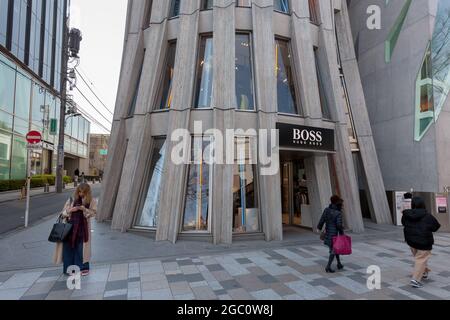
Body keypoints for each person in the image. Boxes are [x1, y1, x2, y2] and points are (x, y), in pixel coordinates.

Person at [53, 183, 97, 276]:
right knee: (68, 249)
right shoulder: (71, 199)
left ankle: (83, 268)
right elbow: (63, 213)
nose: (81, 194)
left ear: (87, 192)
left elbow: (93, 213)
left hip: (83, 229)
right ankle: (69, 269)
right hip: (69, 229)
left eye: (83, 192)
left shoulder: (92, 200)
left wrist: (84, 209)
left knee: (81, 249)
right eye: (79, 191)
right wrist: (70, 210)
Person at [402, 197, 441, 288]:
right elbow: (436, 227)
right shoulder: (427, 216)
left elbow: (404, 223)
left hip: (411, 241)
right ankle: (415, 280)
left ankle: (424, 272)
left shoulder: (406, 214)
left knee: (420, 258)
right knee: (421, 259)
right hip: (424, 242)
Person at [317, 195, 345, 273]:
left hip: (328, 232)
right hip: (334, 234)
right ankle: (328, 266)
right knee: (334, 250)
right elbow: (339, 225)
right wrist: (342, 233)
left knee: (335, 248)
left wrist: (319, 227)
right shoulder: (338, 213)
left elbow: (322, 219)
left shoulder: (327, 210)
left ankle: (339, 264)